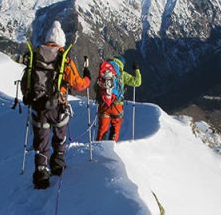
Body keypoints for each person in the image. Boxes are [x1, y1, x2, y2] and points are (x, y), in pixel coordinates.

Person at [21, 20, 90, 189]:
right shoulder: (63, 59)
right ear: (61, 41)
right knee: (59, 138)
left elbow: (25, 84)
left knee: (41, 142)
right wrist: (87, 76)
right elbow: (78, 84)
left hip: (38, 107)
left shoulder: (35, 57)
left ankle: (41, 174)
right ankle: (58, 165)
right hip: (58, 106)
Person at [95, 56, 142, 142]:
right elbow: (137, 82)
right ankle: (112, 145)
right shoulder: (122, 74)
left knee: (102, 129)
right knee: (115, 127)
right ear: (122, 64)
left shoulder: (104, 71)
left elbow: (96, 87)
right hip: (117, 106)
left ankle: (98, 147)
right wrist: (136, 69)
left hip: (104, 104)